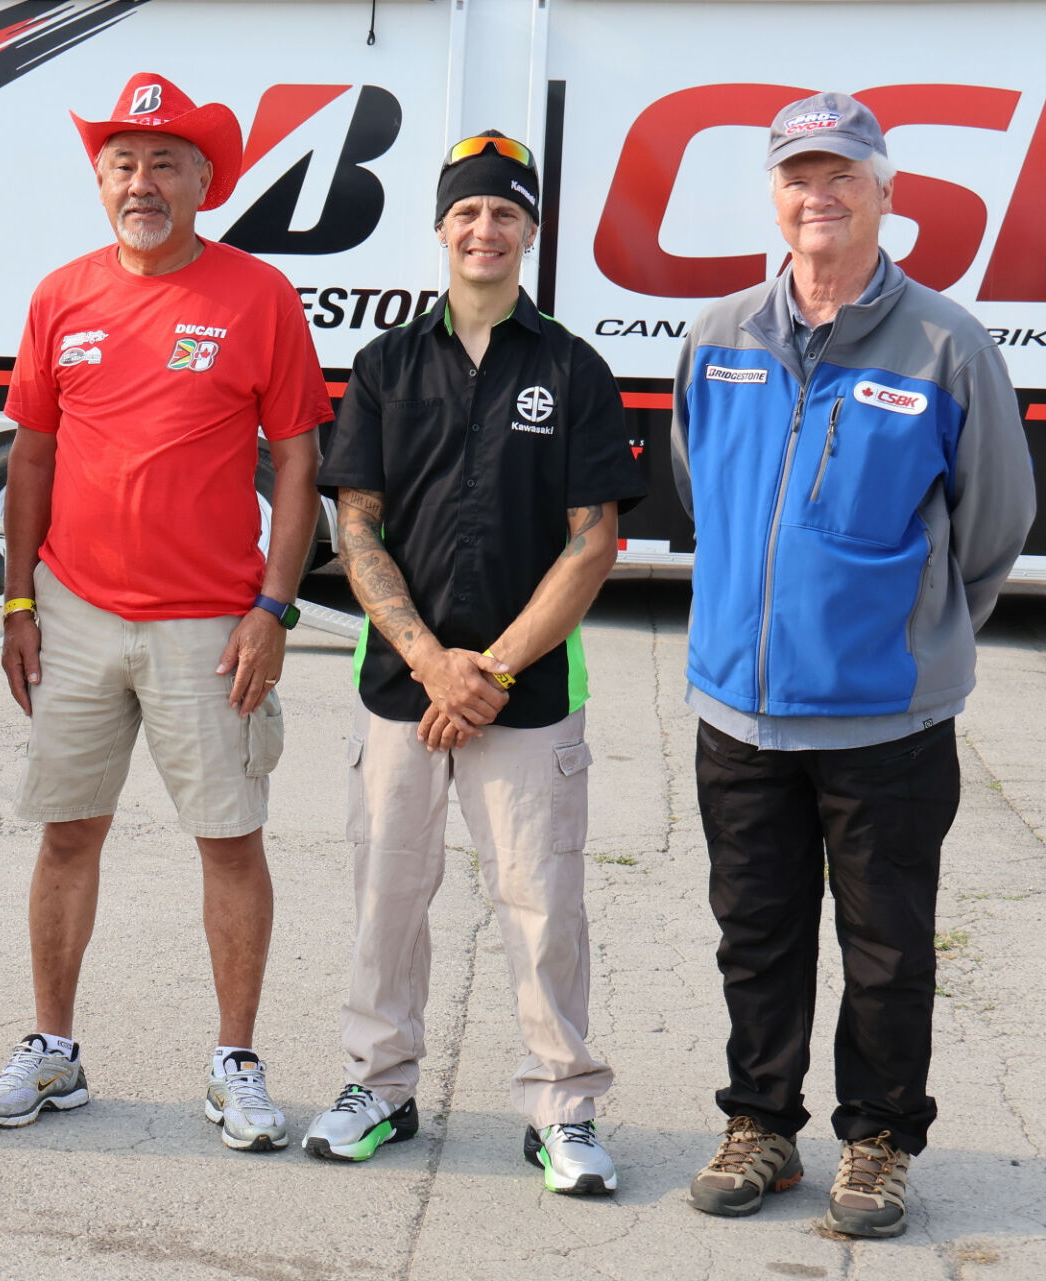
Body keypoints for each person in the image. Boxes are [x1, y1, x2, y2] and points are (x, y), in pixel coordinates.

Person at [673, 92, 1034, 1237]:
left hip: (886, 719)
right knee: (756, 932)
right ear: (774, 196)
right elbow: (702, 494)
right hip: (740, 709)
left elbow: (994, 525)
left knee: (886, 948)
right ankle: (761, 1125)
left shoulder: (946, 342)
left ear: (886, 194)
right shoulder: (720, 335)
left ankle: (877, 1141)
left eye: (841, 175)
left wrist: (915, 632)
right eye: (797, 176)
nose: (816, 195)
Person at [0, 73, 331, 1152]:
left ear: (203, 181)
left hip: (211, 625)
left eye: (165, 162)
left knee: (229, 840)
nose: (142, 182)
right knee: (68, 836)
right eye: (123, 163)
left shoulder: (257, 296)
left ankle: (234, 1062)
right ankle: (53, 1050)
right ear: (100, 180)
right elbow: (30, 456)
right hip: (73, 614)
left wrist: (275, 604)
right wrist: (20, 599)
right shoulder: (60, 296)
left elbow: (299, 462)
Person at [304, 131, 646, 1189]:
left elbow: (595, 540)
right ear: (442, 228)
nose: (485, 229)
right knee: (387, 896)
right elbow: (354, 527)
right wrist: (426, 660)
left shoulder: (572, 369)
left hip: (529, 694)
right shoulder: (386, 366)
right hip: (400, 690)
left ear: (530, 231)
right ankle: (379, 1087)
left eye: (506, 213)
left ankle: (562, 1109)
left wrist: (486, 670)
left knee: (542, 905)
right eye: (468, 212)